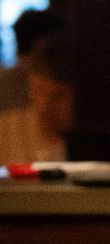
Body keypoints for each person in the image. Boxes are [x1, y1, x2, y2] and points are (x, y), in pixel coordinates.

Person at [0, 35, 73, 165]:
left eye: (58, 96)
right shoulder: (6, 132)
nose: (45, 105)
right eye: (39, 91)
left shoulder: (97, 139)